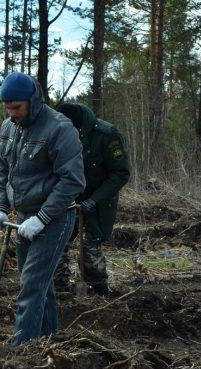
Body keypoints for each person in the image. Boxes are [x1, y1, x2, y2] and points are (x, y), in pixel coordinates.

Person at [0, 72, 85, 346]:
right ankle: (48, 344)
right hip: (25, 218)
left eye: (17, 108)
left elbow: (73, 181)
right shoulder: (9, 128)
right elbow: (2, 169)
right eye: (7, 108)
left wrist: (42, 217)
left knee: (31, 285)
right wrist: (0, 207)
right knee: (41, 287)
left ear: (34, 101)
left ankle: (21, 354)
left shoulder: (59, 128)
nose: (12, 114)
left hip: (55, 218)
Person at [55, 103, 131, 295]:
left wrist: (94, 200)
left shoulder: (106, 135)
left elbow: (120, 173)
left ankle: (99, 292)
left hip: (99, 201)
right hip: (68, 198)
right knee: (58, 241)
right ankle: (59, 289)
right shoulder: (57, 132)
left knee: (90, 246)